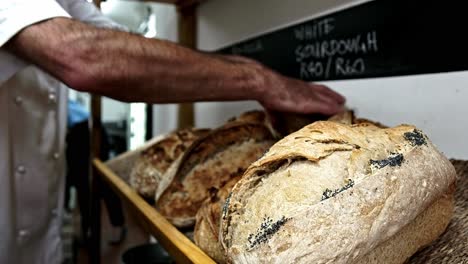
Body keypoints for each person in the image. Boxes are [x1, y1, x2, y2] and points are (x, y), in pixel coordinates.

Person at [0, 0, 345, 263]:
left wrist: (246, 69)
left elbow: (125, 47)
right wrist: (259, 80)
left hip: (38, 234)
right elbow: (84, 54)